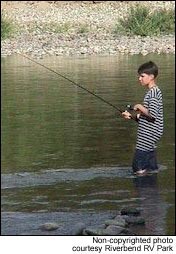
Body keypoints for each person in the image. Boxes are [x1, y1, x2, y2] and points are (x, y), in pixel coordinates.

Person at [122, 61, 164, 175]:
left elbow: (153, 115)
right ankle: (150, 191)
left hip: (147, 138)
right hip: (148, 138)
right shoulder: (152, 92)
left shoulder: (154, 92)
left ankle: (143, 190)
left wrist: (139, 106)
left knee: (138, 169)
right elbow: (148, 119)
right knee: (151, 171)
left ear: (151, 77)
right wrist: (131, 116)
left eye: (142, 76)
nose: (139, 78)